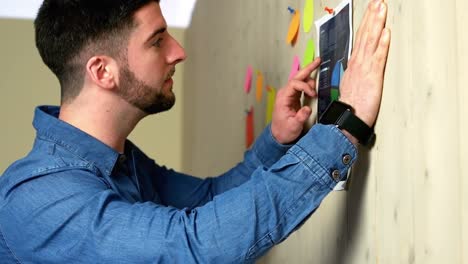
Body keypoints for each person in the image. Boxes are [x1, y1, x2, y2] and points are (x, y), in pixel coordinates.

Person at [0, 0, 390, 262]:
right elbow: (193, 245)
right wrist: (344, 124)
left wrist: (275, 140)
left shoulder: (118, 159)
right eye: (157, 41)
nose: (178, 51)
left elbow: (207, 199)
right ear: (103, 72)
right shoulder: (37, 200)